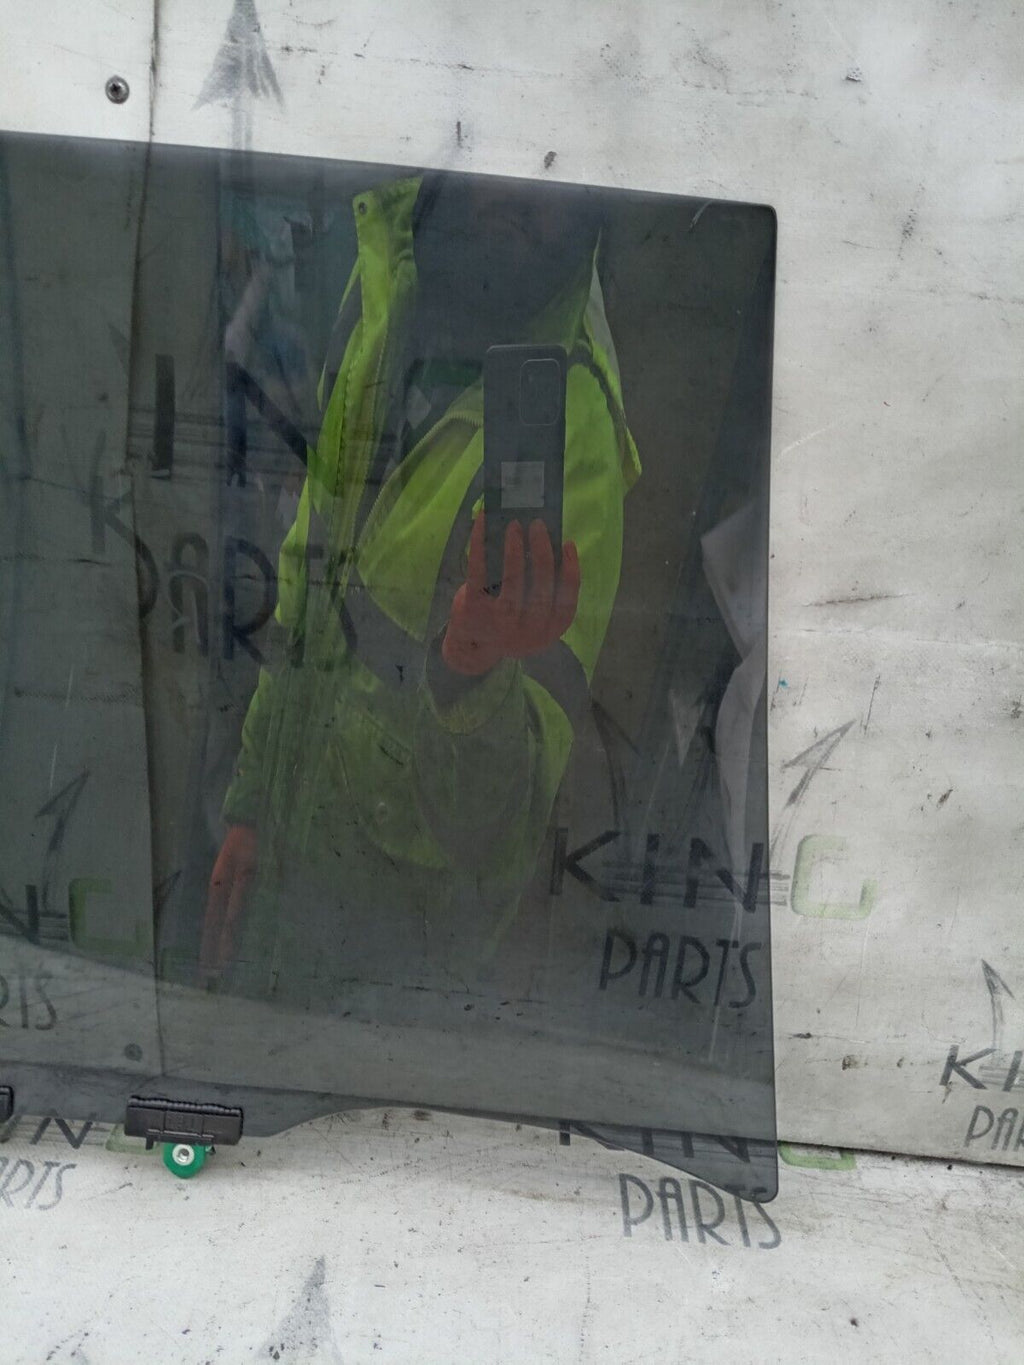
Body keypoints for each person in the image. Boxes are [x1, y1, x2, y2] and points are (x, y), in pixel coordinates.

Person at [200, 171, 641, 1005]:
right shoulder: (386, 282)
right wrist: (252, 803)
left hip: (398, 970)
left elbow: (497, 832)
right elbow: (309, 571)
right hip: (284, 880)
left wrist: (475, 676)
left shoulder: (576, 428)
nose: (523, 194)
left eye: (559, 178)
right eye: (507, 158)